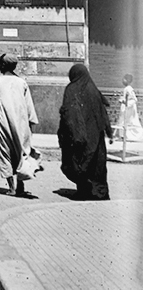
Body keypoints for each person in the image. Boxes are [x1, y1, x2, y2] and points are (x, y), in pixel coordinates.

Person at [0, 54, 39, 197]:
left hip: (3, 123)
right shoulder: (22, 82)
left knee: (4, 152)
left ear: (2, 65)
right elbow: (29, 107)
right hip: (21, 123)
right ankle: (20, 185)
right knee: (20, 152)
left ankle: (12, 187)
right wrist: (31, 125)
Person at [57, 63, 113, 200]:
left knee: (75, 164)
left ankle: (84, 190)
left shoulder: (71, 89)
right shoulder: (93, 89)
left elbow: (68, 114)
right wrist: (109, 131)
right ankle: (99, 191)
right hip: (96, 137)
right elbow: (103, 114)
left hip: (78, 136)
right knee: (96, 165)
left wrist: (66, 133)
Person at [114, 74, 143, 143]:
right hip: (125, 108)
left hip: (128, 109)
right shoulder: (126, 88)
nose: (122, 81)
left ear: (127, 80)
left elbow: (134, 99)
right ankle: (122, 136)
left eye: (124, 79)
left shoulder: (129, 89)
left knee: (127, 122)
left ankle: (129, 136)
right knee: (122, 121)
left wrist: (125, 102)